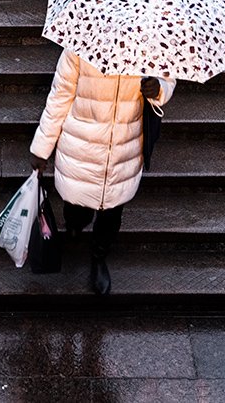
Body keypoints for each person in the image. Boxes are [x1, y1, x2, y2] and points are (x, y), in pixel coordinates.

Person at [29, 49, 176, 295]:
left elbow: (168, 79)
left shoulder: (151, 41)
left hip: (123, 148)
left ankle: (99, 256)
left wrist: (159, 88)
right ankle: (75, 224)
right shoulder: (80, 42)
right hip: (81, 146)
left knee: (111, 215)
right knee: (77, 206)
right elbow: (60, 96)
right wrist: (41, 148)